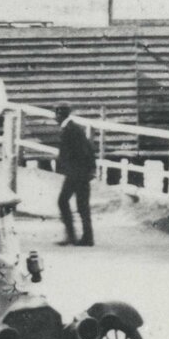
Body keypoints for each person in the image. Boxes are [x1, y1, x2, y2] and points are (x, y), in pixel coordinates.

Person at [55, 104, 95, 247]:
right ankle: (85, 237)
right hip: (79, 172)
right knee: (81, 205)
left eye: (56, 115)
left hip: (76, 173)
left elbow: (82, 151)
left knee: (64, 201)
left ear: (60, 115)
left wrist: (72, 168)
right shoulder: (73, 128)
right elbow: (89, 148)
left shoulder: (70, 129)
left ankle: (73, 236)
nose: (55, 118)